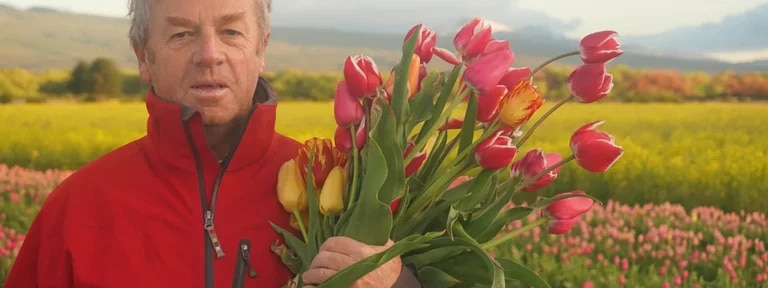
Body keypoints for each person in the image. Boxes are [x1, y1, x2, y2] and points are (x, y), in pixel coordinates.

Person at [3, 0, 422, 287]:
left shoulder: (349, 190)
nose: (209, 54)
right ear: (143, 57)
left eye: (231, 31)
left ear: (262, 50)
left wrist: (401, 284)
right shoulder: (77, 206)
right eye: (182, 34)